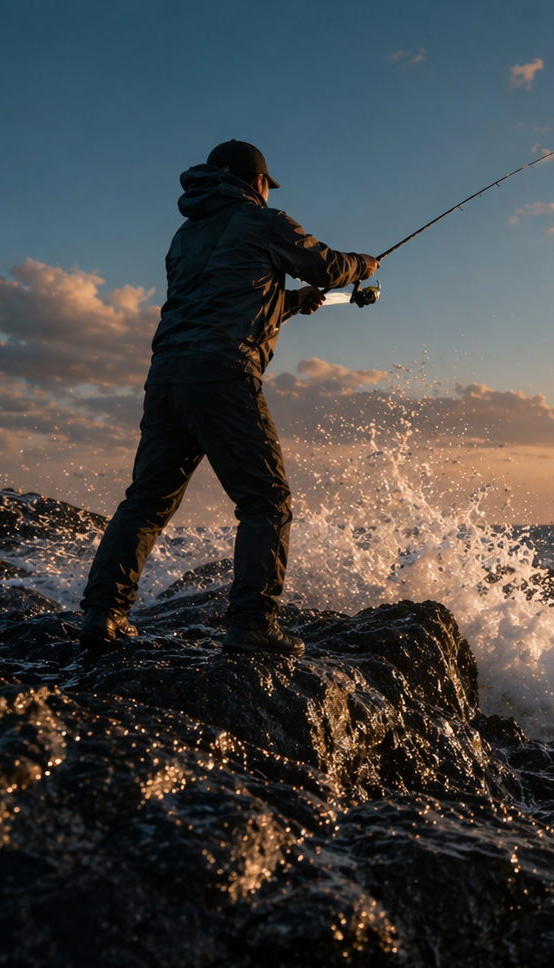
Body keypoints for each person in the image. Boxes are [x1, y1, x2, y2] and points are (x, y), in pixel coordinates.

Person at [77, 139, 378, 656]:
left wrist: (287, 303)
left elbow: (218, 299)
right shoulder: (264, 220)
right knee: (266, 501)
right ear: (256, 181)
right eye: (266, 183)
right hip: (224, 376)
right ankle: (252, 625)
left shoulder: (184, 235)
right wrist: (364, 265)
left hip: (167, 379)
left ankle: (103, 614)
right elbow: (327, 266)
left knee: (146, 501)